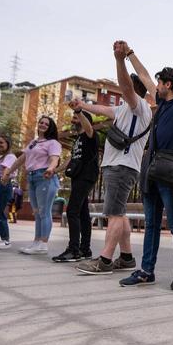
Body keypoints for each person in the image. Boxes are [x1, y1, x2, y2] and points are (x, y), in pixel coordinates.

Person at [119, 43, 173, 290]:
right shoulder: (162, 104)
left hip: (172, 168)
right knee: (151, 223)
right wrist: (130, 53)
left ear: (169, 85)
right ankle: (146, 271)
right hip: (152, 168)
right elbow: (143, 74)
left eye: (160, 82)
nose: (156, 85)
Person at [75, 42, 155, 273]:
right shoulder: (123, 109)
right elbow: (102, 110)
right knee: (119, 213)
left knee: (114, 214)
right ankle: (127, 257)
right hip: (117, 166)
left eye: (127, 86)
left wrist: (119, 60)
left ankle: (105, 260)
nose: (122, 89)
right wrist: (82, 106)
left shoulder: (138, 106)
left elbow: (127, 88)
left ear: (134, 89)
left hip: (122, 167)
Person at [2, 116, 62, 255]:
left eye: (46, 123)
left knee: (44, 211)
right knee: (37, 212)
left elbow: (55, 159)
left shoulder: (52, 142)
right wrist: (8, 173)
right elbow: (22, 159)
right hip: (32, 177)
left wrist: (50, 168)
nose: (42, 125)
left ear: (50, 127)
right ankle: (36, 242)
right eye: (40, 122)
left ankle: (43, 244)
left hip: (44, 177)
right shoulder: (33, 143)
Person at [53, 109, 98, 262]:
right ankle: (85, 249)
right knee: (83, 213)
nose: (73, 120)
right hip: (78, 177)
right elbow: (71, 160)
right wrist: (54, 170)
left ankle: (74, 250)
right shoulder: (78, 140)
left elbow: (89, 128)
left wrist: (79, 111)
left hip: (86, 176)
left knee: (72, 211)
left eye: (76, 118)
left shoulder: (90, 135)